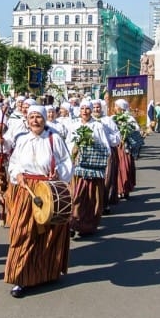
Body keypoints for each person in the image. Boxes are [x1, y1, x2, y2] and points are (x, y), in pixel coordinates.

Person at [4, 105, 73, 297]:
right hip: (26, 191)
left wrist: (59, 173)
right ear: (27, 120)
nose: (35, 120)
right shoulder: (23, 140)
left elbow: (66, 162)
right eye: (32, 117)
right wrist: (16, 173)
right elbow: (15, 162)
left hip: (48, 190)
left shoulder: (54, 139)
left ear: (45, 120)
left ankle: (45, 274)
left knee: (47, 234)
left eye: (38, 117)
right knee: (22, 232)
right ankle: (19, 277)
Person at [68, 102, 110, 238]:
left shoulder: (97, 126)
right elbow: (68, 142)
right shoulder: (74, 125)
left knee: (92, 197)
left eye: (87, 109)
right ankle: (73, 223)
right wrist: (73, 150)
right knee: (76, 196)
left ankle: (87, 225)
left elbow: (105, 145)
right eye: (82, 109)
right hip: (77, 167)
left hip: (92, 167)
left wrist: (92, 145)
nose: (85, 111)